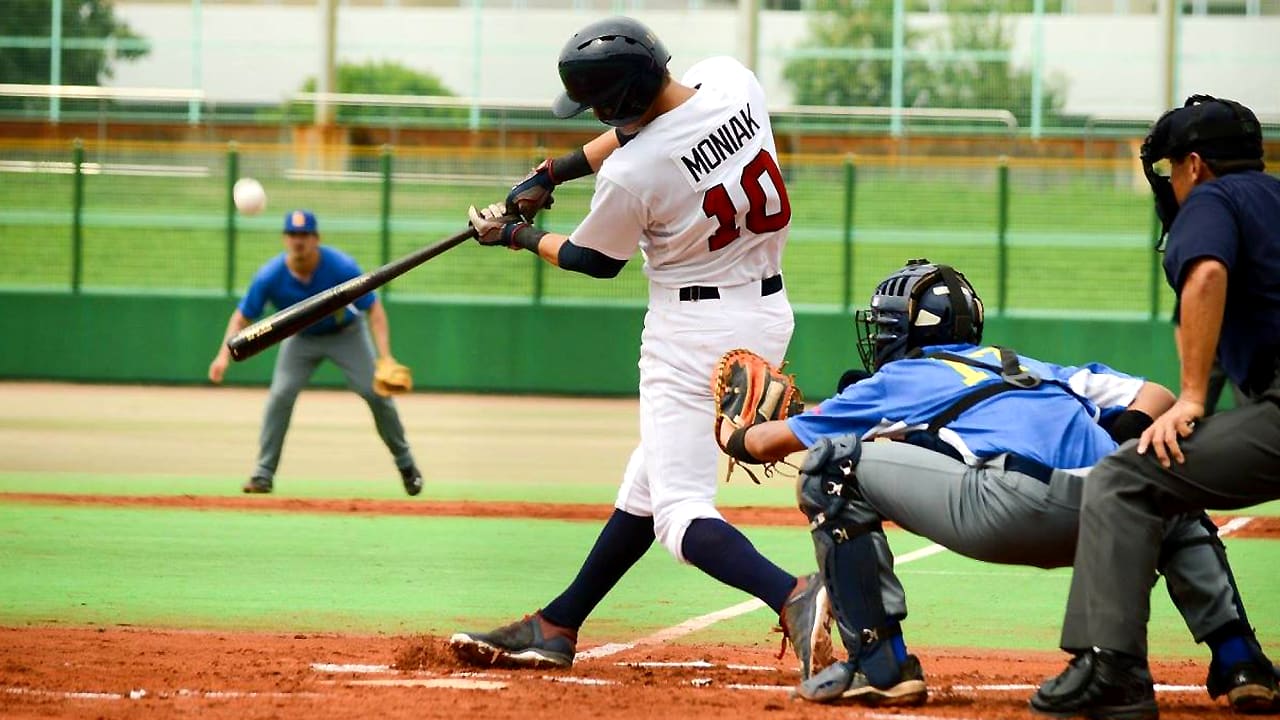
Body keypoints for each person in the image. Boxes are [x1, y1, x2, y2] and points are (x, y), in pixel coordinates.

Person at [722, 258, 1277, 711]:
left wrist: (733, 434)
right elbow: (1153, 393)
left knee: (831, 466)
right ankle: (1241, 661)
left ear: (907, 331)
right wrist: (1110, 447)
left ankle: (879, 664)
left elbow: (772, 443)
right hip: (1120, 520)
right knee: (1164, 487)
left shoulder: (899, 377)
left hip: (1012, 512)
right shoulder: (1018, 363)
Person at [448, 16, 826, 676]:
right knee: (648, 478)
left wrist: (511, 236)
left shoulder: (633, 173)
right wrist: (553, 172)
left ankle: (794, 595)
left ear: (617, 101)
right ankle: (557, 624)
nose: (595, 114)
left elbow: (594, 258)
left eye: (598, 103)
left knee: (679, 511)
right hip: (765, 314)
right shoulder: (734, 81)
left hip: (691, 336)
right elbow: (647, 125)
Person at [1032, 96, 1280, 720]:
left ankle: (1112, 667)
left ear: (1195, 165)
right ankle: (1240, 657)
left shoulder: (1213, 201)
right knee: (1177, 465)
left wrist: (1191, 398)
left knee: (1125, 478)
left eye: (1172, 167)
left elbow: (1205, 278)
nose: (1171, 181)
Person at [207, 209, 424, 497]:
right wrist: (222, 356)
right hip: (301, 339)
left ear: (316, 238)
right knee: (280, 395)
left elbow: (374, 308)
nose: (299, 241)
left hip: (346, 334)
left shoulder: (340, 266)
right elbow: (241, 318)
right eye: (293, 235)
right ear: (285, 239)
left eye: (305, 235)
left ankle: (406, 464)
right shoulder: (270, 276)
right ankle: (263, 474)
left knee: (376, 393)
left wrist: (385, 356)